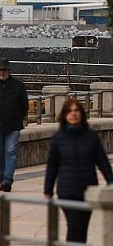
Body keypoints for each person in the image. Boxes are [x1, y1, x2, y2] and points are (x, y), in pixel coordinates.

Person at [44, 98, 113, 243]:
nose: (73, 114)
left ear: (81, 113)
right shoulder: (58, 138)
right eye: (70, 111)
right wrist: (48, 190)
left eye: (76, 111)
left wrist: (111, 180)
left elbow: (102, 160)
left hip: (87, 189)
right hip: (67, 191)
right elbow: (52, 166)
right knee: (74, 226)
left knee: (82, 227)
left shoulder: (91, 136)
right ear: (64, 115)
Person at [0, 57, 29, 192]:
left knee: (11, 151)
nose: (2, 72)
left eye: (4, 70)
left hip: (14, 125)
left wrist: (18, 117)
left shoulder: (18, 85)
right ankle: (2, 179)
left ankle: (7, 180)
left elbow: (24, 105)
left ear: (8, 71)